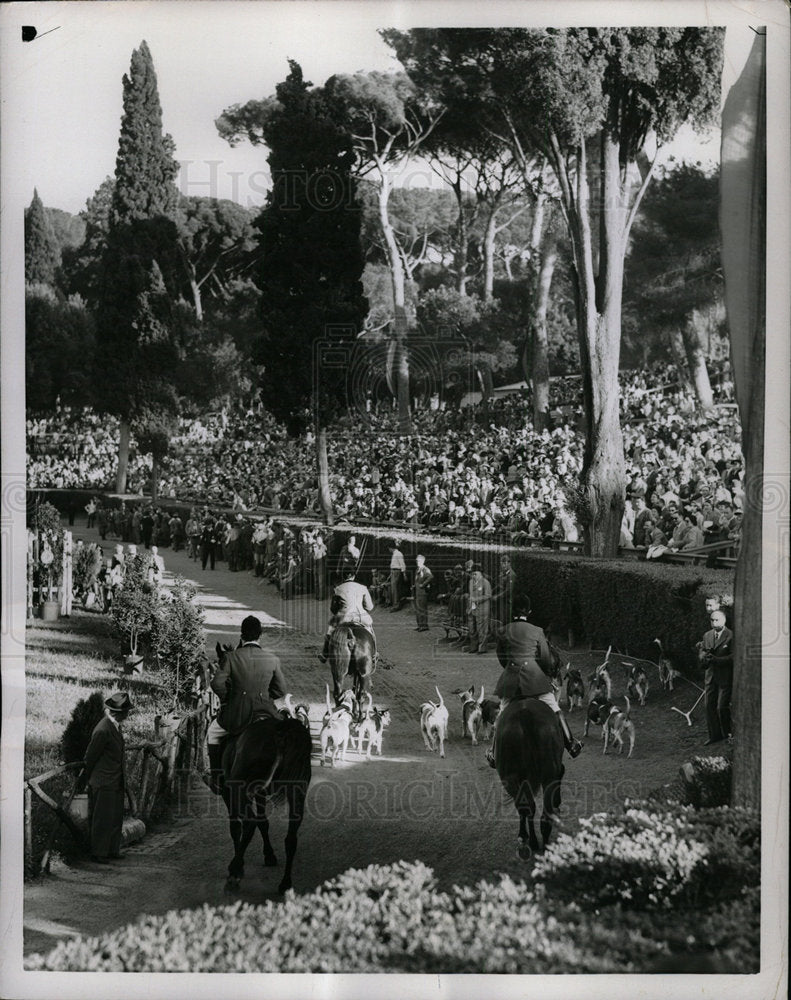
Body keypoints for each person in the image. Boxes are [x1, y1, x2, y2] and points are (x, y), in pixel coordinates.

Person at [486, 597, 582, 766]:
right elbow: (545, 659)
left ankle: (494, 754)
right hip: (535, 679)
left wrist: (510, 669)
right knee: (554, 707)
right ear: (529, 612)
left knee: (502, 713)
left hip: (511, 680)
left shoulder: (503, 631)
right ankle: (572, 744)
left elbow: (501, 658)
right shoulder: (537, 630)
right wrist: (540, 673)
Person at [205, 616, 288, 793]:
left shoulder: (231, 657)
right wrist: (266, 697)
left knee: (212, 733)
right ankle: (285, 777)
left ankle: (217, 779)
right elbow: (280, 690)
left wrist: (229, 699)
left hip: (237, 714)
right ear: (260, 636)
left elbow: (216, 684)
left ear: (241, 635)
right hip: (266, 713)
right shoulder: (273, 659)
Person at [75, 691, 133, 862]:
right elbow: (90, 757)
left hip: (115, 779)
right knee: (102, 818)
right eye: (126, 711)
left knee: (115, 816)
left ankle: (112, 850)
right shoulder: (103, 729)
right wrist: (84, 778)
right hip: (103, 780)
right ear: (118, 712)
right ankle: (98, 853)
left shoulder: (114, 726)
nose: (128, 714)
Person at [318, 569, 375, 662]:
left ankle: (325, 654)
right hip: (361, 617)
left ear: (343, 577)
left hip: (343, 617)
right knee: (370, 630)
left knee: (330, 630)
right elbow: (370, 607)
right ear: (353, 576)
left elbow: (333, 608)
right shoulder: (363, 588)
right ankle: (373, 654)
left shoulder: (338, 589)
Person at [697, 609, 734, 745]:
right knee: (709, 706)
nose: (713, 622)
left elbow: (733, 656)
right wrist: (702, 657)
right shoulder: (707, 635)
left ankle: (728, 734)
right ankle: (714, 735)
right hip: (710, 676)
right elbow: (703, 652)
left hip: (725, 676)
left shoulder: (731, 636)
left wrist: (717, 659)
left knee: (722, 707)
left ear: (724, 620)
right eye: (712, 620)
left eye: (717, 620)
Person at [465, 564, 492, 654]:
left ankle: (482, 648)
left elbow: (488, 595)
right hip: (472, 608)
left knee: (482, 629)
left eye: (475, 574)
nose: (473, 576)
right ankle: (473, 647)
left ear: (481, 574)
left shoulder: (485, 582)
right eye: (472, 574)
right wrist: (469, 607)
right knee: (472, 628)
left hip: (482, 609)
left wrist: (476, 599)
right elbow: (470, 595)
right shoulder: (470, 582)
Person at [413, 553, 433, 632]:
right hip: (417, 592)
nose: (417, 562)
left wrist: (424, 584)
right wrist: (414, 586)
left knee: (422, 609)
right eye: (417, 561)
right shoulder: (417, 569)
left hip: (422, 592)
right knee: (417, 609)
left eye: (419, 561)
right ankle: (419, 625)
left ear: (423, 561)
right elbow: (417, 580)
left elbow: (431, 577)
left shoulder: (425, 569)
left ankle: (424, 625)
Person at [388, 540, 407, 612]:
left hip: (397, 572)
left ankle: (396, 606)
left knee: (395, 589)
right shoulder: (394, 554)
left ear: (391, 548)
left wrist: (404, 574)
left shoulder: (398, 554)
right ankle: (394, 604)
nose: (389, 550)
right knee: (393, 589)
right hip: (393, 572)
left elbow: (402, 564)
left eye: (389, 548)